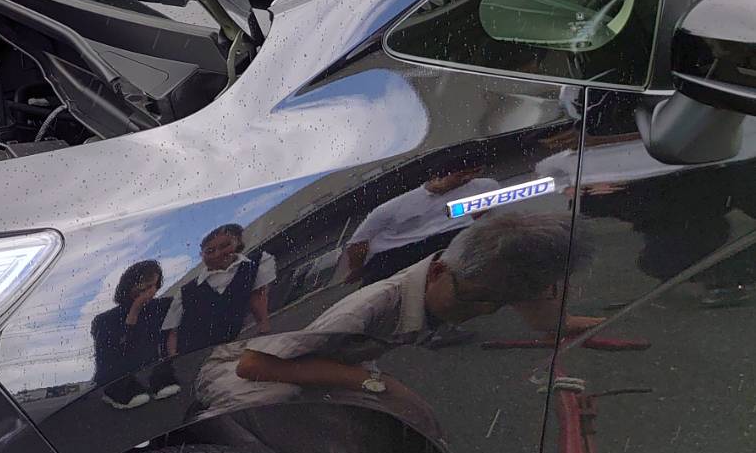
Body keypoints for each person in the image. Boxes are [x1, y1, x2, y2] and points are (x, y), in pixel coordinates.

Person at [193, 210, 601, 430]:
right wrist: (383, 385)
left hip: (329, 359)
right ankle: (209, 446)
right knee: (278, 407)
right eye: (478, 301)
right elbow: (256, 365)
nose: (487, 312)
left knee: (412, 424)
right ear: (438, 272)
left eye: (503, 302)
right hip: (241, 365)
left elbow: (535, 306)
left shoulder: (474, 279)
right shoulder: (368, 307)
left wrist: (567, 322)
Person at [340, 161, 500, 286]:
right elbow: (358, 243)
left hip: (452, 241)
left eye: (476, 172)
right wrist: (357, 269)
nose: (468, 178)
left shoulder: (485, 186)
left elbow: (486, 211)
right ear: (436, 176)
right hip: (397, 256)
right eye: (461, 174)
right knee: (379, 296)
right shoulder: (392, 207)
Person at [166, 223, 277, 359]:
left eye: (225, 246)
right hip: (196, 356)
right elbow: (173, 332)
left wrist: (265, 332)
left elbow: (258, 298)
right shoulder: (185, 291)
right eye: (210, 251)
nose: (217, 254)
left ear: (237, 242)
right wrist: (176, 360)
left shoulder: (256, 263)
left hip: (240, 347)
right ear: (202, 255)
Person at [92, 261, 180, 409]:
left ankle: (159, 378)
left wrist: (173, 357)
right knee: (133, 394)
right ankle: (116, 390)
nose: (151, 291)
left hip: (153, 367)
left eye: (154, 285)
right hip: (120, 374)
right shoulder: (105, 320)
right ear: (129, 286)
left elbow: (173, 332)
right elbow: (113, 354)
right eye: (145, 286)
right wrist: (135, 310)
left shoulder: (162, 306)